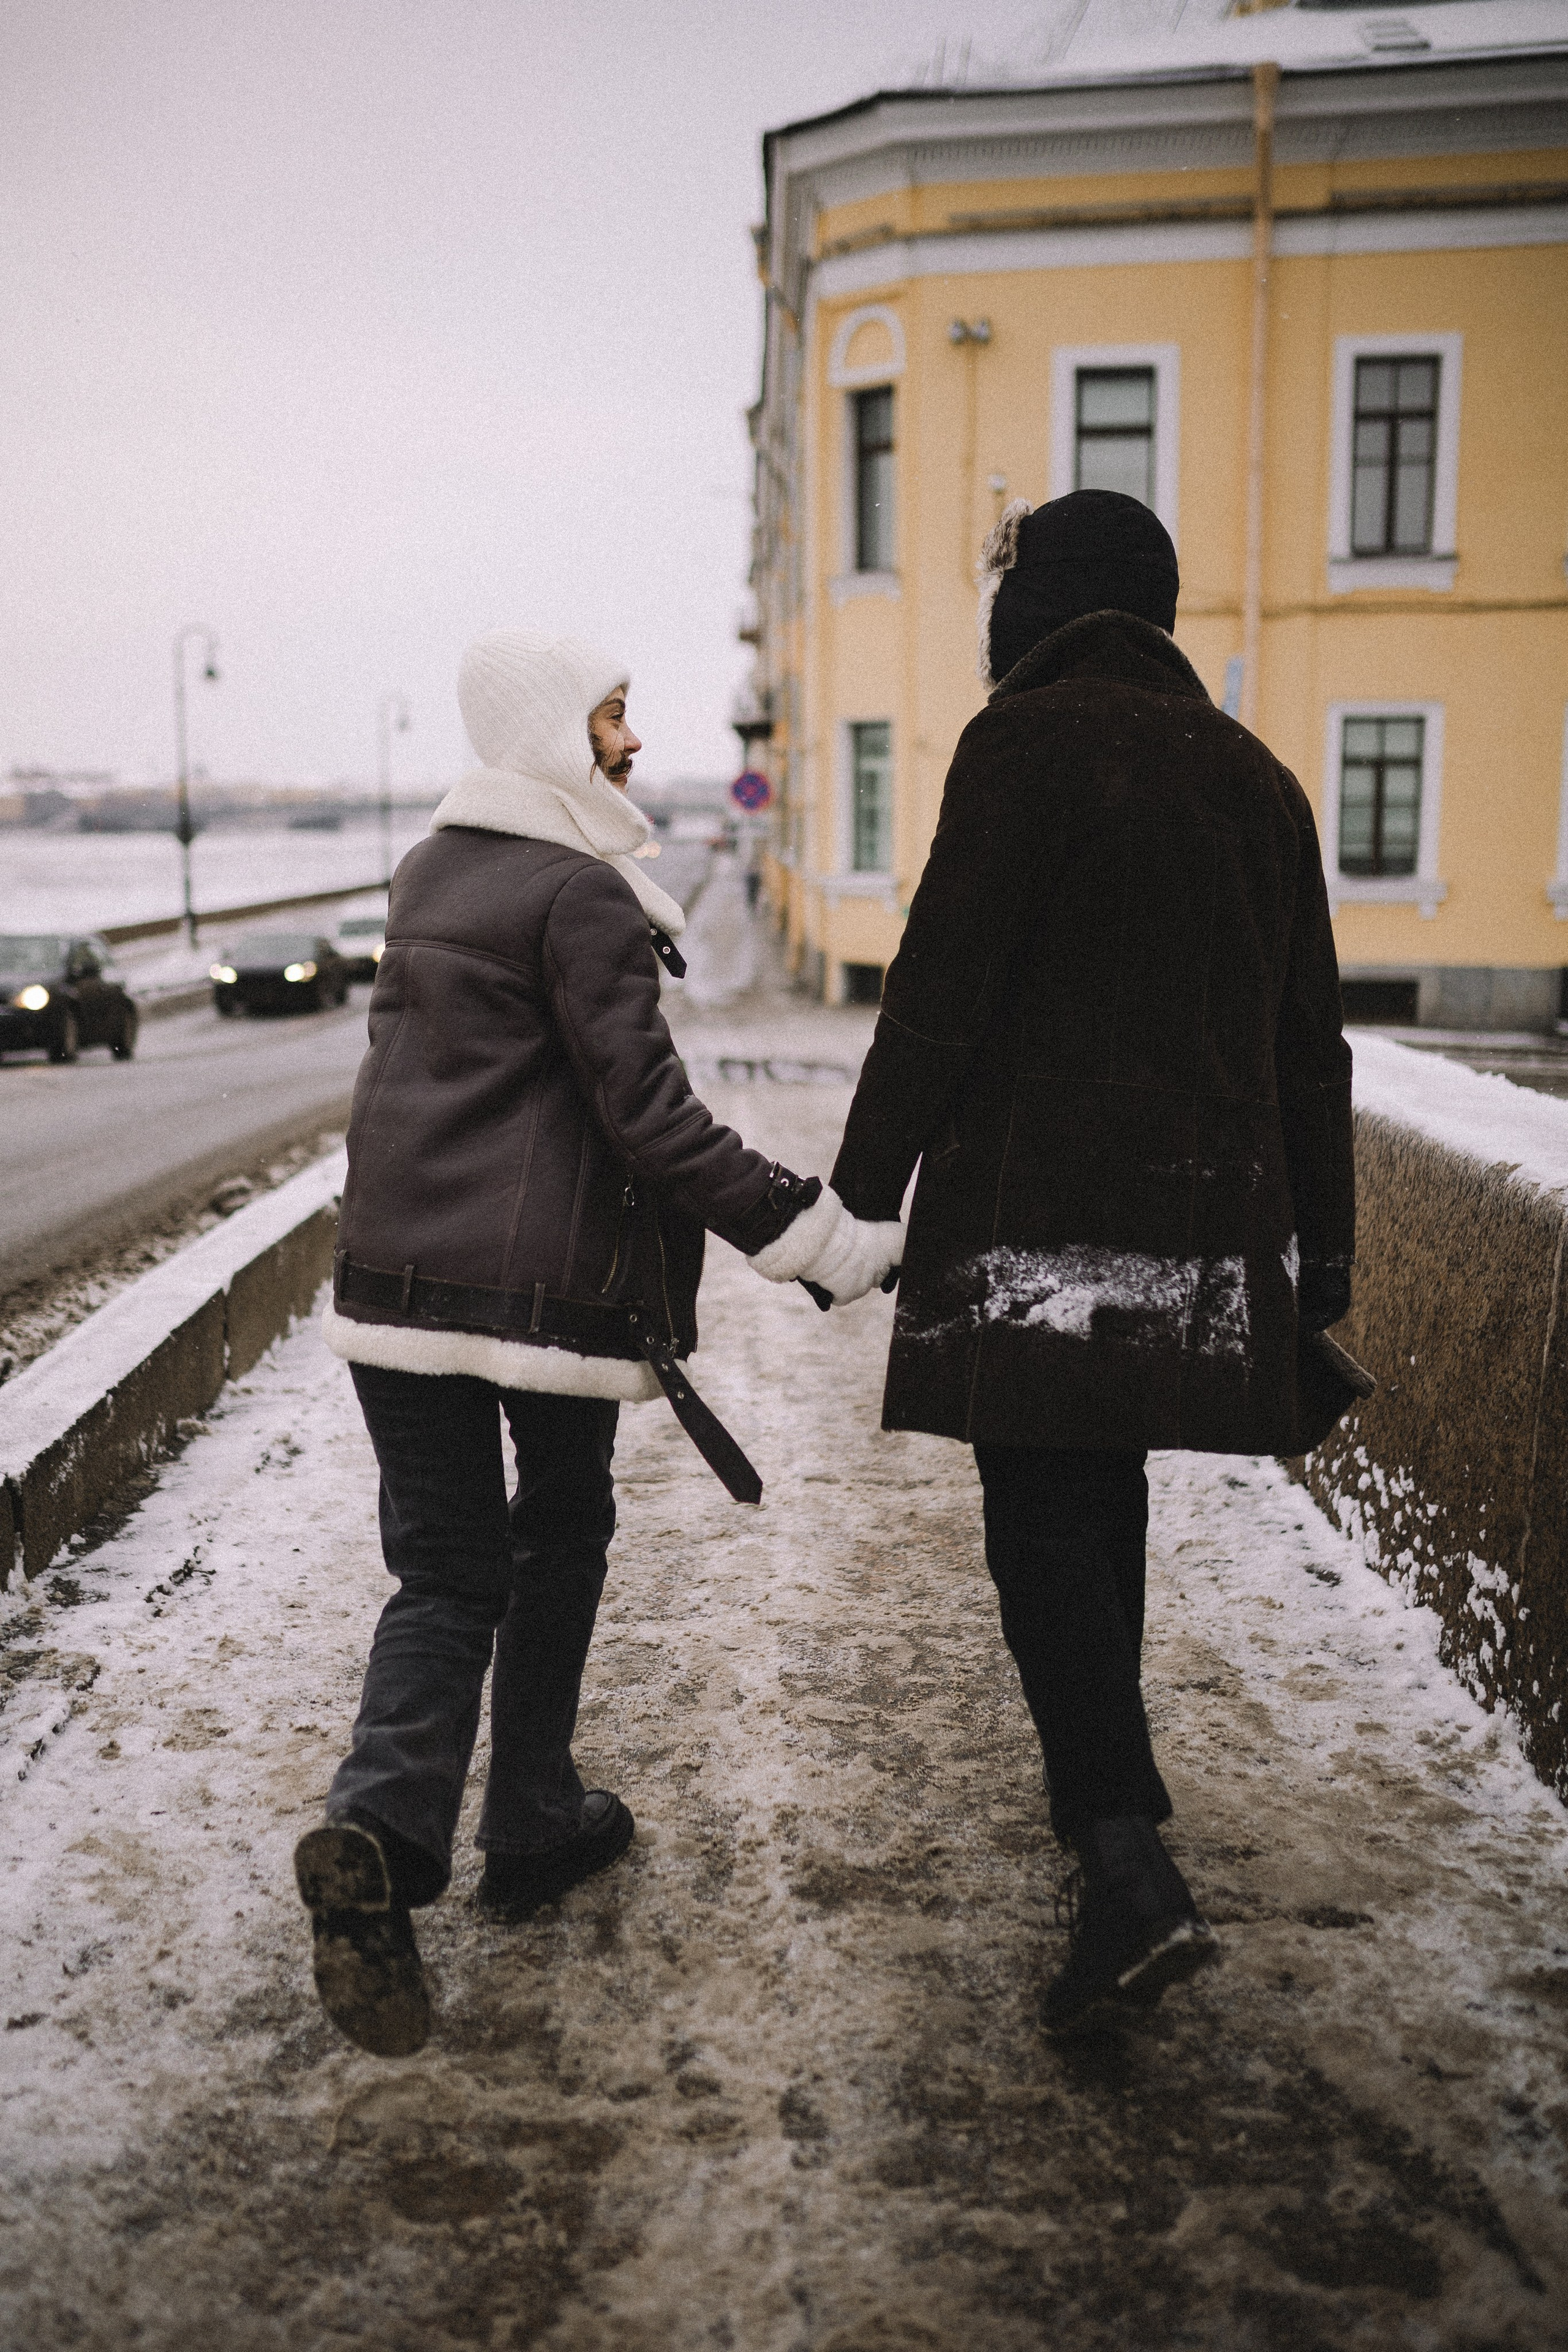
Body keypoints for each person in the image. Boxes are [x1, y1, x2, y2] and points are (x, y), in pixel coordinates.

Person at [295, 627, 902, 2057]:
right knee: (558, 1532)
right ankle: (531, 1815)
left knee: (440, 1573)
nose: (632, 743)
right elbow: (651, 1118)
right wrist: (809, 1235)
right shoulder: (580, 894)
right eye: (612, 718)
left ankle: (378, 1829)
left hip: (389, 1276)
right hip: (543, 1297)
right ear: (553, 734)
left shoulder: (429, 870)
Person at [829, 490, 1354, 2036]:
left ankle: (1121, 1861)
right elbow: (1307, 1048)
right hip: (1196, 1230)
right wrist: (1320, 1258)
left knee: (1040, 1519)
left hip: (1029, 1229)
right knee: (1094, 1497)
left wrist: (859, 1199)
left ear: (1034, 614)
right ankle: (1114, 1827)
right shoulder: (1260, 785)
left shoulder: (1021, 747)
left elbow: (939, 987)